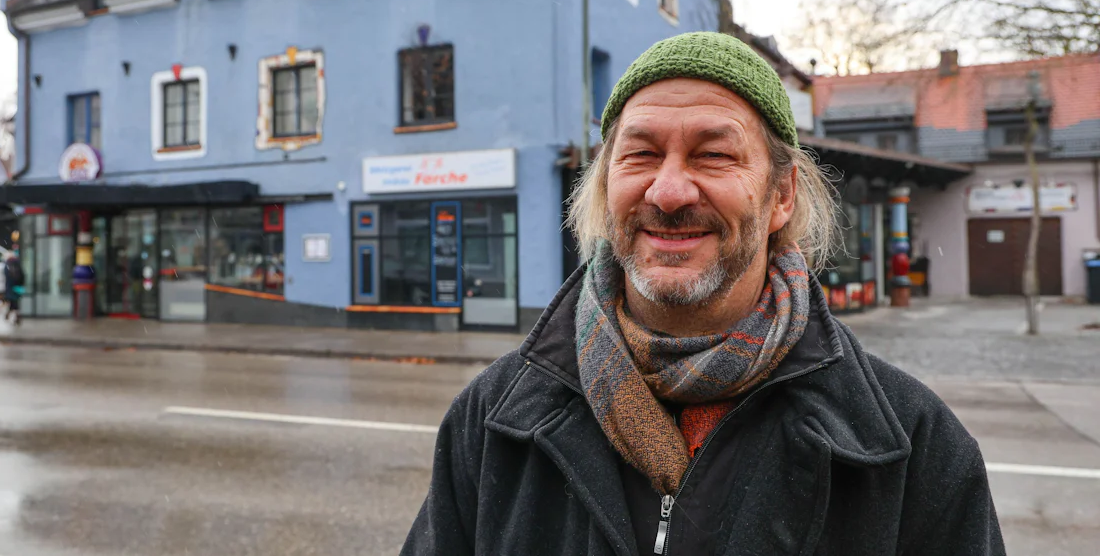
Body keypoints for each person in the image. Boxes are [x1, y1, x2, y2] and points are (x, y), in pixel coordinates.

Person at [402, 33, 1005, 556]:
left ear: (782, 195)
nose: (667, 192)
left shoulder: (911, 445)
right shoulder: (490, 422)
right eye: (639, 154)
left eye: (714, 155)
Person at [3, 253, 25, 324]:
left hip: (10, 286)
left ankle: (14, 314)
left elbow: (6, 276)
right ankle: (12, 314)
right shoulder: (18, 264)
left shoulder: (7, 265)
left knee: (13, 302)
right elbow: (23, 275)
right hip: (17, 286)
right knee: (14, 301)